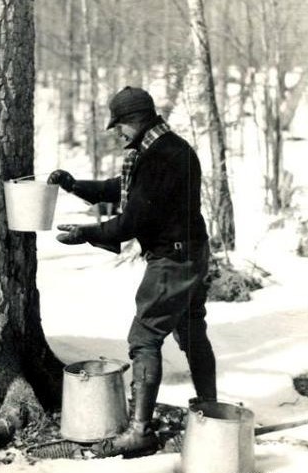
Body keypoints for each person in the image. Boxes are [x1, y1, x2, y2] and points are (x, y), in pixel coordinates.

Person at [47, 86, 217, 458]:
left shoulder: (161, 158)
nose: (117, 134)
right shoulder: (162, 149)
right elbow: (123, 190)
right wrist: (75, 186)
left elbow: (132, 219)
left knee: (144, 338)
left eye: (118, 127)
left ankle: (139, 432)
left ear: (134, 121)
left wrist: (86, 234)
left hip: (173, 262)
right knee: (191, 330)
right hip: (190, 254)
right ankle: (212, 410)